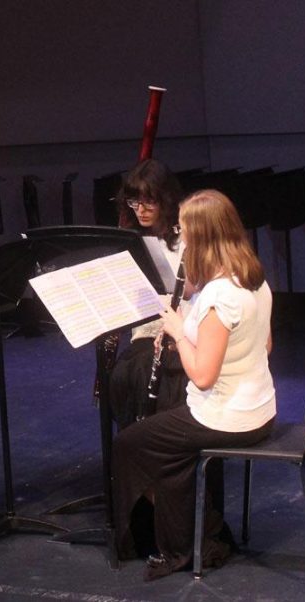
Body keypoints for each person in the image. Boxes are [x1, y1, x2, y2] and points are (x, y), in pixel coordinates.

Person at [112, 189, 276, 580]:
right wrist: (191, 327)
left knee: (129, 445)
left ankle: (199, 538)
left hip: (227, 418)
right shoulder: (252, 279)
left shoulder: (219, 295)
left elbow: (202, 375)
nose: (181, 241)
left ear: (201, 239)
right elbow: (265, 345)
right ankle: (190, 540)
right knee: (171, 457)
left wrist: (177, 332)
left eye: (185, 233)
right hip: (260, 409)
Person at [107, 159, 189, 429]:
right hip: (145, 333)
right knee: (121, 376)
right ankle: (132, 442)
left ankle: (151, 441)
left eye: (148, 202)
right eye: (134, 202)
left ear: (165, 200)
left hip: (183, 331)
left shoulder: (184, 238)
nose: (140, 210)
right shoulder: (131, 241)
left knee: (145, 374)